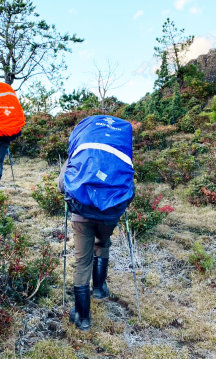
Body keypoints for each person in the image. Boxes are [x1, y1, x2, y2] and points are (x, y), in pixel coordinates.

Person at [57, 115, 135, 331]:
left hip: (81, 215)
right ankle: (99, 289)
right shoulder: (120, 155)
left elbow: (62, 185)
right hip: (109, 215)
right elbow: (129, 188)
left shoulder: (77, 155)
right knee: (102, 243)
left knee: (82, 262)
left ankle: (83, 317)